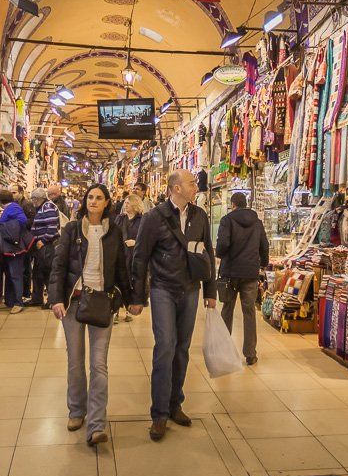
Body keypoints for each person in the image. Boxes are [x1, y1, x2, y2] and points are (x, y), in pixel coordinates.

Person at [129, 169, 215, 442]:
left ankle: (175, 403)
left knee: (182, 349)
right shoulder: (155, 217)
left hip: (190, 289)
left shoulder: (200, 216)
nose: (196, 187)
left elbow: (208, 254)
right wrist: (137, 297)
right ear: (176, 188)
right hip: (163, 288)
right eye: (192, 183)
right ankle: (159, 413)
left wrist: (210, 291)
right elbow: (140, 257)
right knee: (165, 347)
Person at [48, 184, 130, 447]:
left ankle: (96, 424)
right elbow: (59, 265)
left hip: (102, 302)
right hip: (74, 302)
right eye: (90, 197)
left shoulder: (115, 232)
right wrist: (56, 298)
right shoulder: (72, 229)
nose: (93, 201)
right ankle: (76, 410)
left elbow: (121, 268)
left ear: (107, 202)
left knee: (99, 364)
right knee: (75, 360)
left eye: (99, 198)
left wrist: (129, 299)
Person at [215, 192, 269, 365]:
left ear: (233, 204)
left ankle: (224, 350)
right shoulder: (257, 222)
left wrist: (219, 254)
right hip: (250, 272)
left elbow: (223, 244)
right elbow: (264, 245)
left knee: (227, 309)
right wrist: (263, 263)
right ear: (246, 204)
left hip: (230, 271)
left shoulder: (227, 220)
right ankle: (250, 353)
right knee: (249, 312)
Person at [0, 189, 32, 314]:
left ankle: (18, 302)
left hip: (14, 248)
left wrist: (3, 227)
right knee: (11, 274)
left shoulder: (13, 208)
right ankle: (11, 300)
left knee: (15, 275)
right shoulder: (12, 208)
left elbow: (22, 221)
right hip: (11, 247)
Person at [113, 194, 145, 324]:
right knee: (118, 281)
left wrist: (136, 242)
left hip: (135, 256)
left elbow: (147, 239)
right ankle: (115, 310)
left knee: (131, 282)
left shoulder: (142, 220)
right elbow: (113, 235)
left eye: (128, 203)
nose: (125, 205)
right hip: (120, 254)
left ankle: (128, 309)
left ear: (135, 204)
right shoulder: (120, 219)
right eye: (125, 203)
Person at [28, 187, 60, 308]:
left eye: (34, 199)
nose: (33, 201)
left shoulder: (48, 207)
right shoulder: (42, 207)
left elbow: (52, 226)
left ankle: (51, 300)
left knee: (47, 273)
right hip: (41, 245)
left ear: (38, 198)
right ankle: (37, 298)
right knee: (38, 272)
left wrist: (43, 240)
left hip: (47, 246)